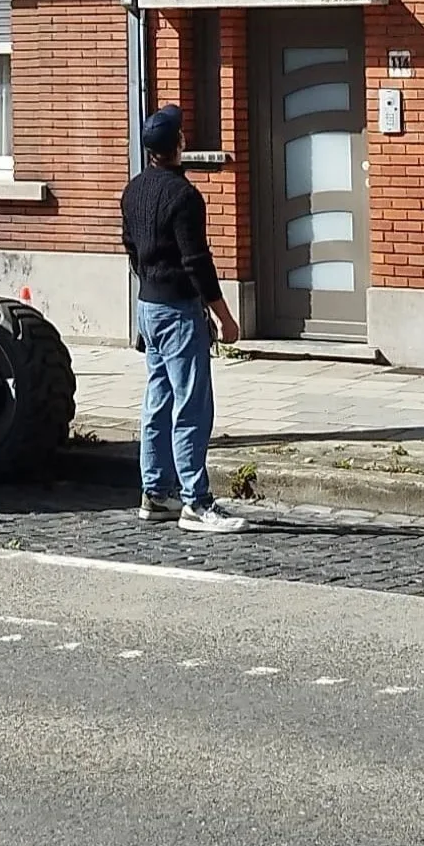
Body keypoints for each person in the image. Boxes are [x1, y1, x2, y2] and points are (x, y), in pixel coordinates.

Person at [119, 104, 244, 534]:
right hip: (177, 308)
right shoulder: (184, 196)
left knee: (158, 400)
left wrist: (150, 281)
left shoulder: (133, 190)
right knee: (192, 404)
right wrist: (223, 315)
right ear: (179, 145)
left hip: (147, 304)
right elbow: (197, 262)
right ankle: (196, 500)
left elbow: (131, 248)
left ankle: (155, 493)